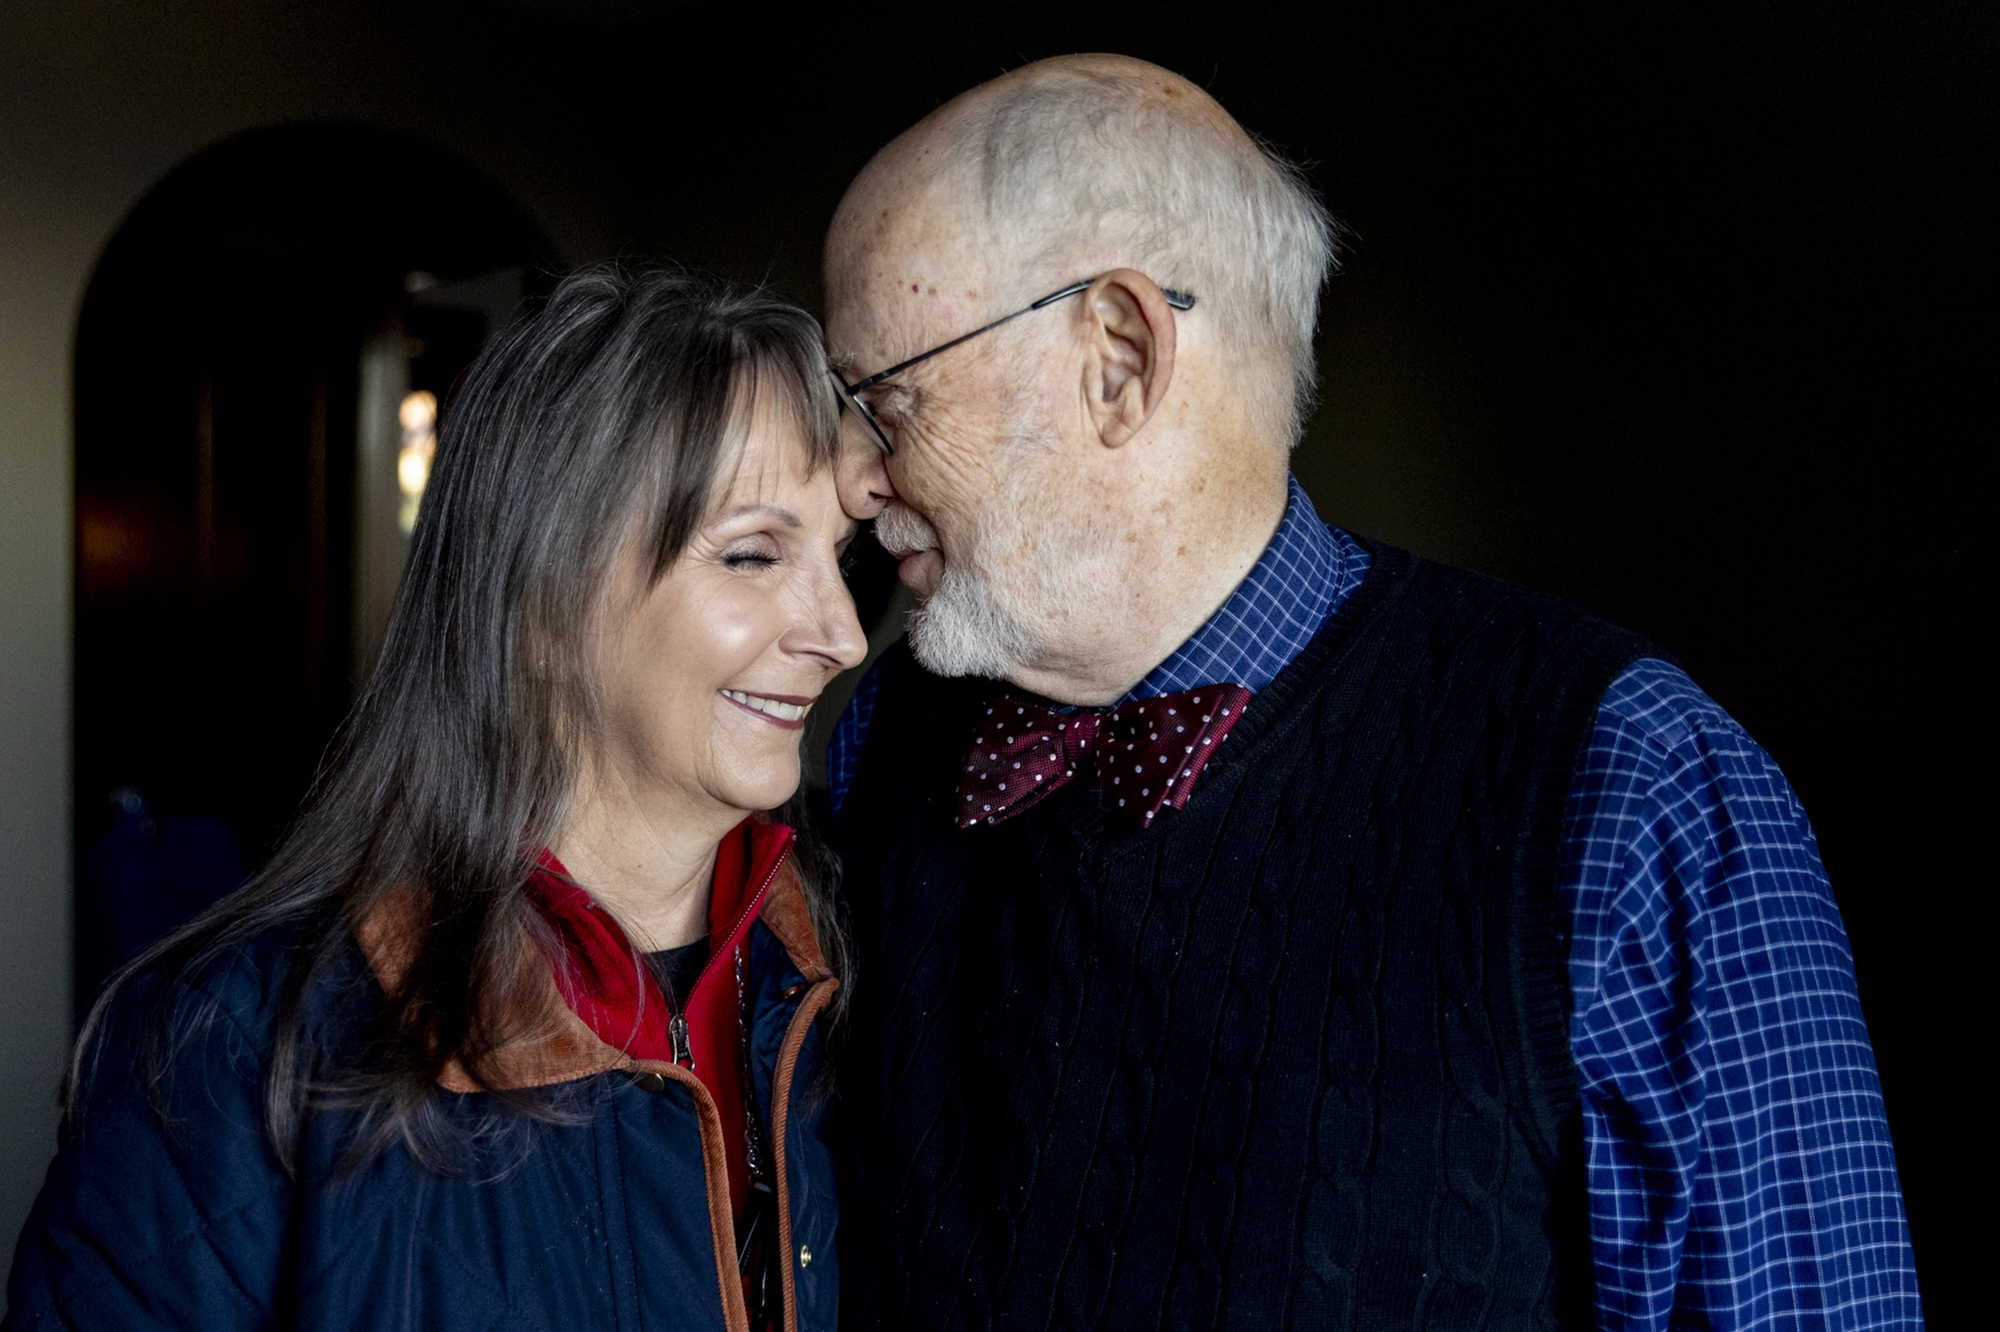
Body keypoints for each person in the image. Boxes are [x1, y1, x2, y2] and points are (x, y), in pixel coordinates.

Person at [821, 55, 1922, 1330]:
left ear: (1117, 355)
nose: (849, 476)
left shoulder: (1633, 785)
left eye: (880, 400)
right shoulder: (885, 741)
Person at [6, 268, 866, 1331]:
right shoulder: (237, 1046)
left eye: (837, 558)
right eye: (751, 555)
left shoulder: (845, 980)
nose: (840, 634)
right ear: (541, 604)